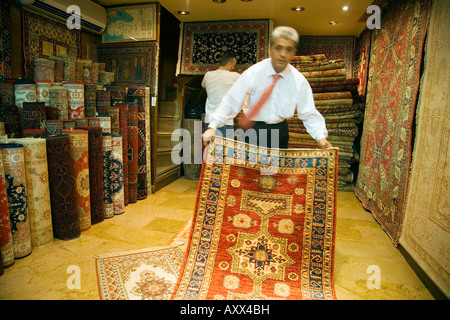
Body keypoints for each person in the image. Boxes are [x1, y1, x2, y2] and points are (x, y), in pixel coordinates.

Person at [202, 26, 332, 150]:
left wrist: (321, 137)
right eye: (278, 48)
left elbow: (308, 112)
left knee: (276, 172)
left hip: (280, 132)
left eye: (288, 49)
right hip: (254, 130)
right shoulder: (253, 73)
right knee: (251, 172)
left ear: (293, 52)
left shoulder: (298, 81)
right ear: (270, 49)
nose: (282, 54)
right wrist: (213, 126)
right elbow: (232, 101)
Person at [201, 51, 240, 137]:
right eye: (234, 65)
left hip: (209, 120)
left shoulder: (208, 75)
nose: (234, 68)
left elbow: (203, 85)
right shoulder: (235, 76)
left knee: (211, 149)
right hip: (226, 121)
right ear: (229, 64)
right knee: (227, 150)